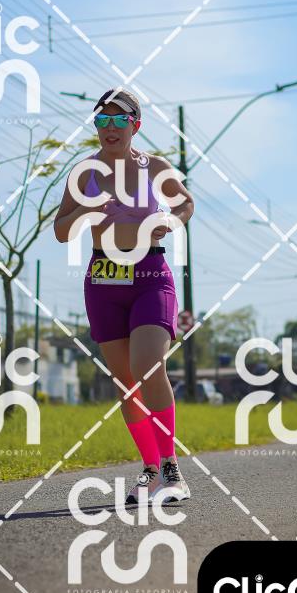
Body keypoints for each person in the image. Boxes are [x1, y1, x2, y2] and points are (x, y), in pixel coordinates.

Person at [54, 88, 194, 503]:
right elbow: (61, 231)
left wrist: (168, 219)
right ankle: (150, 471)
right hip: (103, 279)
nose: (110, 128)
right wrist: (86, 210)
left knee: (147, 366)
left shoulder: (155, 167)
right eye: (103, 120)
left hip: (150, 274)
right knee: (126, 384)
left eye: (119, 120)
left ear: (136, 125)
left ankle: (171, 470)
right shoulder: (83, 173)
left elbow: (186, 205)